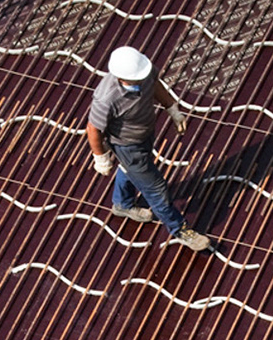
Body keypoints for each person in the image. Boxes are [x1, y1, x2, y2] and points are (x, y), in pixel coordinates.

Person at [86, 45, 210, 252]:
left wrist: (172, 108)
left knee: (129, 169)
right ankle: (180, 229)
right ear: (121, 77)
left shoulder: (142, 70)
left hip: (144, 134)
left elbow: (155, 84)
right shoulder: (106, 98)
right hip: (127, 145)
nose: (141, 80)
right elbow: (93, 129)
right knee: (156, 190)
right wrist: (100, 157)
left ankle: (122, 205)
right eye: (136, 79)